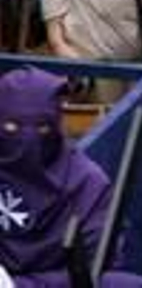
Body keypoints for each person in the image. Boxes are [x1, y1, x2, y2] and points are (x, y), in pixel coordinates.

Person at [0, 68, 112, 280]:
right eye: (11, 127)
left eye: (42, 128)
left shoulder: (87, 183)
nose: (27, 142)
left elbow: (97, 267)